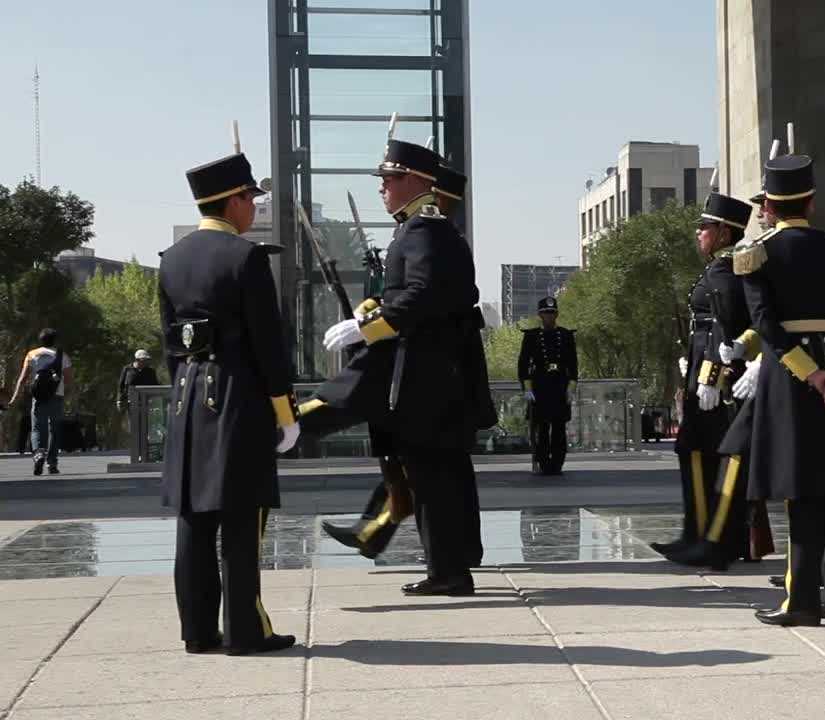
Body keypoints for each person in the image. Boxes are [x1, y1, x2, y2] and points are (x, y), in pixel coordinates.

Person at [299, 134, 493, 596]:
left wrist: (368, 328)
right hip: (425, 375)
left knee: (432, 477)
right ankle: (447, 567)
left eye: (390, 178)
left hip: (429, 378)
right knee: (429, 476)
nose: (383, 187)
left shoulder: (426, 231)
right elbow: (408, 295)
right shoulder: (415, 230)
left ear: (418, 182)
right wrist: (372, 313)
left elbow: (422, 296)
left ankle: (449, 572)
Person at [160, 148, 298, 655]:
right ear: (233, 201)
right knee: (241, 517)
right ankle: (246, 628)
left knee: (195, 519)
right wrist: (285, 411)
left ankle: (197, 628)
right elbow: (268, 342)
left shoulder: (172, 260)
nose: (253, 208)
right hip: (238, 396)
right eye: (250, 199)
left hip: (187, 398)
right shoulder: (246, 257)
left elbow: (170, 344)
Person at [735, 153, 825, 626]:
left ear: (769, 204)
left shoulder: (759, 254)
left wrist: (811, 375)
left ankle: (802, 601)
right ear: (811, 202)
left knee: (803, 490)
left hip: (794, 381)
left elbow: (767, 325)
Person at [652, 190, 754, 566]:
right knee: (702, 453)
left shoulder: (725, 268)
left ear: (725, 233)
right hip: (702, 368)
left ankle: (707, 537)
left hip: (717, 379)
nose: (699, 233)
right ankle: (703, 535)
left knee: (698, 452)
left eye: (706, 227)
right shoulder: (719, 266)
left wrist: (710, 375)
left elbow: (727, 327)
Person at [519, 297, 578, 475]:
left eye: (552, 313)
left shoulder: (566, 335)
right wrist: (527, 388)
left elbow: (573, 364)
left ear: (557, 314)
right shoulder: (531, 336)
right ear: (540, 315)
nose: (549, 316)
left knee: (559, 427)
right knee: (542, 427)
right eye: (546, 313)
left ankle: (557, 462)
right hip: (540, 384)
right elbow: (523, 364)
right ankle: (544, 462)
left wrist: (571, 387)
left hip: (559, 383)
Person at [9, 328, 73, 476]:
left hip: (38, 396)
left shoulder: (32, 354)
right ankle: (52, 463)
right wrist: (69, 398)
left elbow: (23, 378)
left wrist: (15, 397)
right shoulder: (62, 356)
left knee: (37, 427)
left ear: (41, 340)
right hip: (57, 395)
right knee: (55, 429)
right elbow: (69, 381)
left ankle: (38, 454)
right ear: (55, 340)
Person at [118, 349, 160, 448]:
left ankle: (145, 449)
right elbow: (121, 386)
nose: (145, 362)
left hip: (147, 403)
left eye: (146, 360)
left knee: (145, 427)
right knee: (134, 427)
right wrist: (119, 400)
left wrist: (156, 401)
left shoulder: (150, 371)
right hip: (132, 403)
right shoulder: (127, 369)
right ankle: (136, 448)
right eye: (142, 360)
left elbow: (156, 386)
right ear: (136, 360)